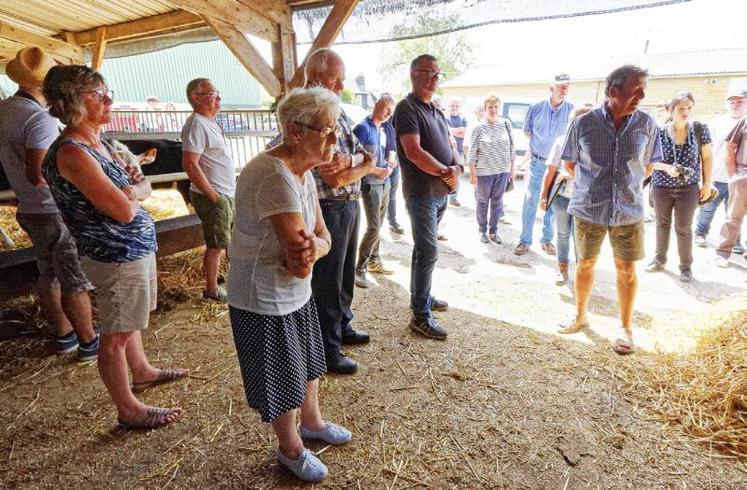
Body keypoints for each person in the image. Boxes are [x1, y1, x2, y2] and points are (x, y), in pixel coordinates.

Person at [43, 65, 188, 429]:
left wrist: (134, 189)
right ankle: (127, 409)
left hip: (131, 248)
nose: (109, 99)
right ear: (74, 102)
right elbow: (123, 210)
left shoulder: (101, 144)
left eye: (107, 91)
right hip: (115, 253)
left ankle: (142, 371)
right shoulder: (73, 153)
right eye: (98, 94)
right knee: (116, 333)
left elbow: (140, 187)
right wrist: (134, 192)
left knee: (129, 322)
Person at [227, 87, 351, 482]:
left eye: (334, 130)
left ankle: (311, 423)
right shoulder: (274, 176)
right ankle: (290, 449)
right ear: (295, 132)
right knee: (282, 374)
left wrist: (315, 246)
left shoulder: (303, 172)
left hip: (294, 292)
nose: (334, 140)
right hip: (264, 294)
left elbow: (322, 238)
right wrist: (315, 247)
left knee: (310, 361)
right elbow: (302, 262)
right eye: (326, 131)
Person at [0, 47, 98, 360]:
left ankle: (64, 334)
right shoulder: (38, 119)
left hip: (28, 207)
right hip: (52, 208)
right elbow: (40, 173)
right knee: (74, 278)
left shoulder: (6, 109)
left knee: (49, 273)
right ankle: (88, 340)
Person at [558, 65, 662, 355]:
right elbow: (569, 164)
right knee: (585, 264)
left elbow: (649, 165)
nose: (641, 96)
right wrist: (593, 187)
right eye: (636, 90)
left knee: (627, 269)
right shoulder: (583, 124)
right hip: (589, 209)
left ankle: (625, 327)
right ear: (614, 91)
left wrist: (625, 189)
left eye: (643, 89)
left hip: (628, 211)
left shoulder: (647, 124)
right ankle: (580, 316)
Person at [304, 48, 377, 374]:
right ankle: (327, 350)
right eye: (337, 78)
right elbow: (332, 175)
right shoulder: (310, 109)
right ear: (317, 76)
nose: (342, 85)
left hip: (347, 202)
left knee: (345, 273)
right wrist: (358, 167)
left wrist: (355, 165)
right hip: (329, 206)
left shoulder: (336, 109)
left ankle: (343, 327)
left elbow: (369, 155)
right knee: (328, 281)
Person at [394, 54, 463, 340]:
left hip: (440, 191)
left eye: (438, 73)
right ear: (414, 74)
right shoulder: (406, 108)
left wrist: (457, 167)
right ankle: (420, 317)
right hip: (422, 192)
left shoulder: (435, 109)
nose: (435, 78)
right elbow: (413, 152)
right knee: (428, 250)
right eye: (430, 72)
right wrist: (446, 171)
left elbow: (450, 143)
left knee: (424, 251)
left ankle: (421, 297)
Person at [645, 92, 712, 282]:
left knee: (684, 229)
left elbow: (707, 157)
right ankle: (659, 260)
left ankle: (686, 267)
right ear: (670, 110)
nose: (686, 112)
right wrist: (667, 167)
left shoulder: (700, 129)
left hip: (688, 188)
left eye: (689, 108)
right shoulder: (658, 132)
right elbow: (648, 160)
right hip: (661, 187)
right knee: (662, 225)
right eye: (681, 108)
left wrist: (707, 183)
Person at [181, 78, 236, 303]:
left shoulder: (208, 121)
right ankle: (211, 289)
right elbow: (190, 164)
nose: (219, 97)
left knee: (225, 238)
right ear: (197, 97)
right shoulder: (196, 124)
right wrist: (214, 196)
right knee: (216, 244)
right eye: (214, 93)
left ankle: (218, 278)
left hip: (223, 192)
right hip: (213, 194)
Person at [515, 74, 574, 256]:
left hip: (558, 166)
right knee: (531, 200)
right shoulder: (536, 107)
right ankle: (525, 241)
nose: (563, 89)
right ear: (551, 88)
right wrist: (541, 148)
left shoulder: (571, 110)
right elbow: (528, 131)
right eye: (560, 86)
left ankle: (546, 240)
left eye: (566, 86)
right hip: (538, 162)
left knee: (552, 201)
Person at [539, 105, 594, 285]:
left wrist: (570, 173)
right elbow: (550, 171)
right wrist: (543, 196)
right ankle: (562, 269)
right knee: (562, 234)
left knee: (581, 237)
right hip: (562, 197)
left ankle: (581, 272)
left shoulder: (598, 144)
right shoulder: (561, 141)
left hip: (585, 200)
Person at [695, 88, 747, 252]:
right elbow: (704, 150)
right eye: (732, 102)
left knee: (733, 214)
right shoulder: (717, 123)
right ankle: (701, 232)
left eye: (739, 101)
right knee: (708, 208)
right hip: (717, 176)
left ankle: (735, 242)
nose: (735, 105)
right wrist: (703, 176)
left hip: (739, 180)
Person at [354, 95, 397, 288]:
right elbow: (353, 158)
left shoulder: (382, 130)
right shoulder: (363, 128)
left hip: (384, 182)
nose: (388, 113)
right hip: (370, 184)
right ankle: (359, 269)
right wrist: (375, 170)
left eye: (391, 111)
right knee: (373, 227)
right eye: (386, 108)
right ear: (377, 106)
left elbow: (383, 155)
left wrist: (390, 164)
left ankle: (374, 260)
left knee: (378, 226)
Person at [467, 94, 515, 244]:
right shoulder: (478, 127)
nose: (493, 110)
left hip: (502, 172)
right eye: (490, 107)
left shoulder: (506, 124)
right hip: (483, 173)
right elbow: (471, 153)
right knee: (482, 202)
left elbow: (512, 148)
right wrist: (473, 175)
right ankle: (482, 231)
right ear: (485, 108)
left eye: (496, 107)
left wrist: (512, 170)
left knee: (497, 202)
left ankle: (493, 231)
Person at [714, 114, 747, 267]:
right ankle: (722, 253)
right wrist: (733, 174)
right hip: (743, 176)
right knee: (733, 217)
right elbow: (730, 144)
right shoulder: (745, 120)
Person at [383, 95, 405, 235]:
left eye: (391, 108)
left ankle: (392, 221)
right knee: (379, 197)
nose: (388, 112)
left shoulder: (395, 122)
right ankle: (376, 226)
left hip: (394, 164)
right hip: (380, 165)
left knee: (392, 195)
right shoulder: (376, 123)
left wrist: (396, 158)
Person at [446, 99, 468, 207]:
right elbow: (446, 133)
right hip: (447, 152)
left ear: (459, 107)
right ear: (449, 106)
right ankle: (444, 198)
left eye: (456, 106)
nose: (454, 107)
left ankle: (453, 198)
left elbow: (466, 133)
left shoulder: (463, 118)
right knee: (446, 175)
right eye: (452, 105)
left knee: (457, 176)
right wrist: (457, 131)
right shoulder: (445, 118)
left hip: (460, 152)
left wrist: (452, 132)